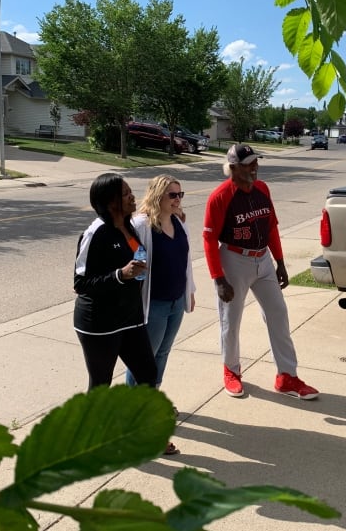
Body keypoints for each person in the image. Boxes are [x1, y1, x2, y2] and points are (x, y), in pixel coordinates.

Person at [203, 143, 319, 399]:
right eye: (249, 164)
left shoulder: (262, 189)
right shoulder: (221, 196)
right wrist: (218, 278)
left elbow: (271, 228)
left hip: (263, 259)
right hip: (234, 260)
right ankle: (231, 370)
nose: (255, 167)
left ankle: (286, 376)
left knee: (278, 313)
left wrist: (280, 261)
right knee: (230, 320)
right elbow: (209, 240)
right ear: (233, 167)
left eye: (257, 162)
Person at [73, 173, 158, 391]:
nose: (132, 197)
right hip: (100, 322)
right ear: (111, 202)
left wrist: (137, 274)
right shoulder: (96, 233)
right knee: (101, 383)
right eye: (126, 194)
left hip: (130, 316)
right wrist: (120, 275)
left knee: (148, 373)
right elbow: (81, 283)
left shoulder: (129, 227)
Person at [126, 175, 196, 393]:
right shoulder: (141, 226)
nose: (177, 199)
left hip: (176, 301)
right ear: (158, 196)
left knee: (163, 352)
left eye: (180, 194)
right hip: (154, 303)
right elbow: (130, 262)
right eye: (172, 195)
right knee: (144, 357)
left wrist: (190, 291)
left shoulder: (179, 223)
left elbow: (185, 262)